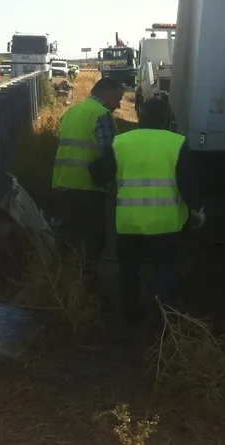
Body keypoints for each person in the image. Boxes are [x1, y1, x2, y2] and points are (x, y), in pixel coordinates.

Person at [90, 98, 205, 325]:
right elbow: (188, 182)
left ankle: (131, 315)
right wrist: (198, 210)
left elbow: (98, 172)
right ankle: (165, 318)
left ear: (141, 116)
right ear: (167, 119)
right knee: (165, 268)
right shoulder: (177, 143)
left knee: (129, 269)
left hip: (130, 223)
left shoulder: (120, 142)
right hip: (167, 223)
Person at [51, 76, 124, 284]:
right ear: (107, 93)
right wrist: (111, 185)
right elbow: (110, 155)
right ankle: (86, 286)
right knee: (92, 241)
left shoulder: (72, 111)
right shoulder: (101, 115)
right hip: (88, 188)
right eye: (117, 99)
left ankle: (64, 282)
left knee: (69, 238)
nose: (118, 105)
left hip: (62, 183)